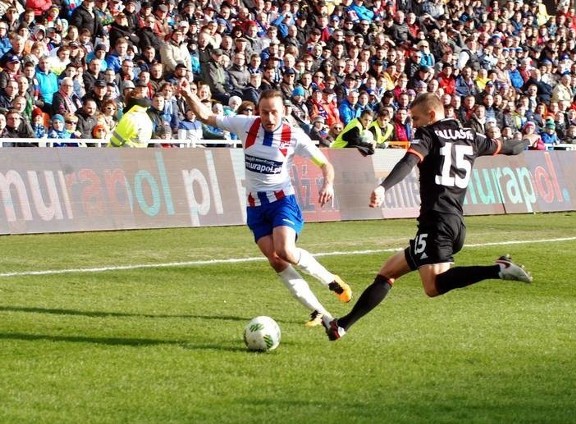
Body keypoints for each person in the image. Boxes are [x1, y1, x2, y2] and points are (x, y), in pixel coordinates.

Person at [325, 93, 533, 341]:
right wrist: (529, 140)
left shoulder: (429, 134)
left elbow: (408, 161)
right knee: (388, 273)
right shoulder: (472, 137)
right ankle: (343, 325)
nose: (413, 124)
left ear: (432, 115)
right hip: (454, 223)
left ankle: (496, 270)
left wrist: (383, 187)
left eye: (416, 118)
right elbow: (511, 147)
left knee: (432, 287)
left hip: (436, 223)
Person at [179, 82, 352, 327]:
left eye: (274, 112)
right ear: (258, 111)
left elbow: (326, 165)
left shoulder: (294, 136)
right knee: (276, 260)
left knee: (286, 251)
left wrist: (328, 184)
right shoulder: (245, 125)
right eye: (264, 112)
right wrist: (188, 94)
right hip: (255, 207)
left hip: (282, 202)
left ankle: (330, 280)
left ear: (284, 112)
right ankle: (323, 315)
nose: (269, 117)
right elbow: (206, 116)